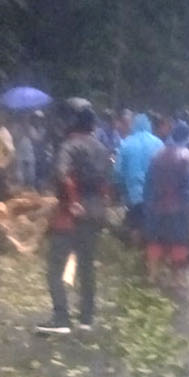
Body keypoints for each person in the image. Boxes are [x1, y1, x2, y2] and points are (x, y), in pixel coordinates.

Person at [37, 107, 112, 334]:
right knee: (87, 265)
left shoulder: (69, 145)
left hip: (72, 214)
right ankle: (86, 318)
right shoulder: (101, 147)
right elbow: (108, 180)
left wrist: (72, 201)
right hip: (96, 211)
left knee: (55, 268)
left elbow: (63, 174)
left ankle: (61, 318)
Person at [142, 121, 189, 288]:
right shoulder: (187, 156)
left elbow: (148, 181)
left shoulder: (157, 154)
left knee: (155, 240)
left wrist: (148, 203)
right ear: (187, 137)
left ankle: (152, 275)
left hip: (156, 205)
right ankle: (176, 279)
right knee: (178, 242)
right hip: (178, 206)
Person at [115, 112, 163, 241]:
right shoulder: (158, 143)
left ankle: (133, 254)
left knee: (135, 224)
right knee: (153, 226)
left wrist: (120, 189)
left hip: (133, 193)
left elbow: (118, 171)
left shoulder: (126, 143)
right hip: (155, 193)